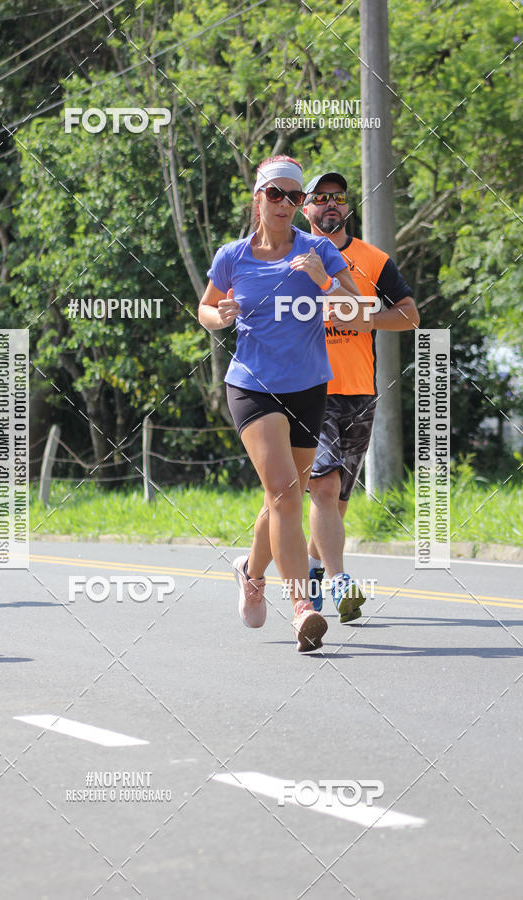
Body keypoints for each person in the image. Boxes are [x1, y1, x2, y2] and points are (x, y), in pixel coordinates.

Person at [198, 155, 360, 652]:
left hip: (309, 387)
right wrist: (218, 316)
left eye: (295, 197)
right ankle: (302, 607)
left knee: (279, 499)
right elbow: (205, 308)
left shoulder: (318, 250)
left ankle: (250, 571)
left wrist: (325, 280)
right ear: (259, 199)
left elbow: (357, 312)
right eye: (277, 195)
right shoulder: (233, 256)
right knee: (288, 494)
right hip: (252, 384)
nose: (286, 204)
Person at [301, 170, 420, 623]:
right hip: (311, 390)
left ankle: (310, 572)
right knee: (325, 488)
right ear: (304, 207)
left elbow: (409, 317)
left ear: (347, 206)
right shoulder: (294, 257)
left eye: (338, 197)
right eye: (320, 198)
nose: (330, 204)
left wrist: (367, 319)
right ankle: (339, 581)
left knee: (335, 503)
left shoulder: (373, 259)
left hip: (360, 393)